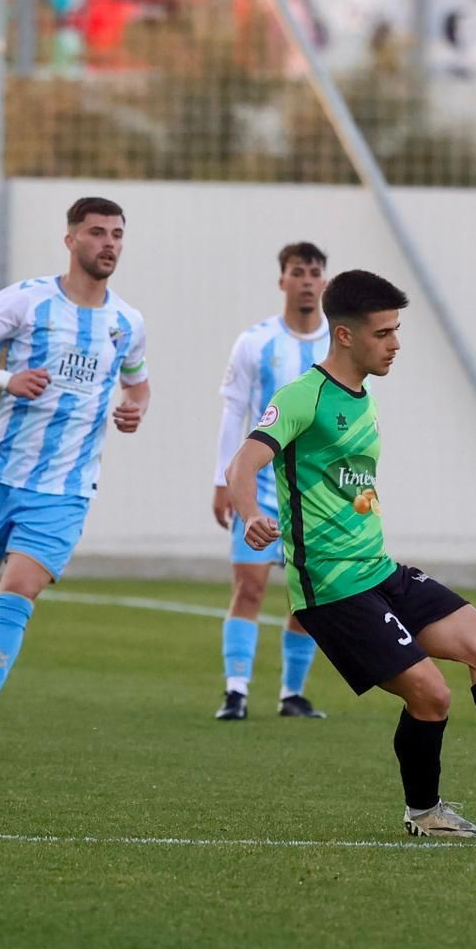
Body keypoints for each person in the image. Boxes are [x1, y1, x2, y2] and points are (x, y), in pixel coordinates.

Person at [223, 269, 476, 837]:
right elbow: (243, 465)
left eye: (397, 330)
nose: (396, 344)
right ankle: (424, 814)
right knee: (431, 695)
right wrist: (252, 513)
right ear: (346, 336)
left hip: (378, 569)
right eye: (384, 333)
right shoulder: (303, 397)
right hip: (332, 588)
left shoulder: (362, 397)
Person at [0, 196, 149, 756]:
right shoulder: (27, 301)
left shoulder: (127, 323)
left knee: (19, 593)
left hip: (66, 488)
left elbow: (138, 382)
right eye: (98, 232)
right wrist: (7, 379)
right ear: (71, 239)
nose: (110, 243)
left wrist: (135, 407)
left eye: (118, 234)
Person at [209, 242, 333, 721]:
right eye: (297, 272)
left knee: (310, 597)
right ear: (282, 280)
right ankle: (235, 691)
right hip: (260, 488)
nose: (306, 280)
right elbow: (234, 410)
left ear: (325, 282)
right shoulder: (255, 342)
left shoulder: (338, 344)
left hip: (318, 493)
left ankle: (291, 694)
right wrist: (223, 479)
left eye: (314, 272)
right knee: (250, 587)